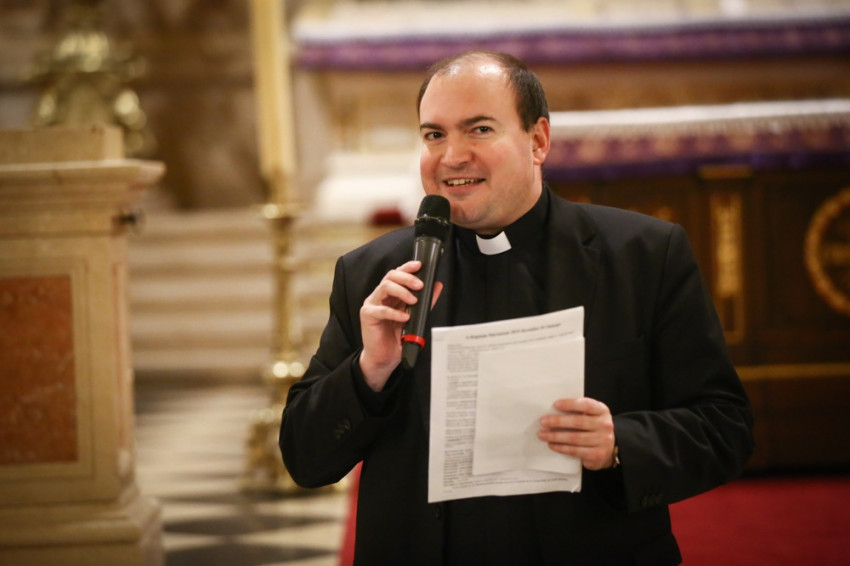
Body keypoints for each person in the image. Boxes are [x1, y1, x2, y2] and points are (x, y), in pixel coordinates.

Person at [280, 50, 753, 565]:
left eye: (479, 130)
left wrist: (620, 443)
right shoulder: (372, 275)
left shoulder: (642, 256)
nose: (451, 156)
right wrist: (370, 370)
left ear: (538, 140)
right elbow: (306, 458)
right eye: (434, 134)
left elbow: (723, 426)